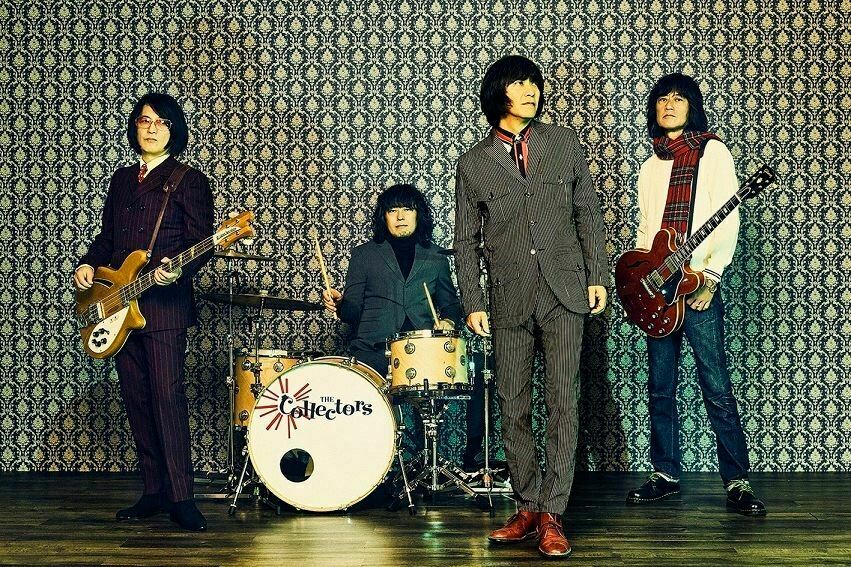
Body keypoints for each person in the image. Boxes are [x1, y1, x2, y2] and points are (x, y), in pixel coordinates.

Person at [454, 55, 609, 558]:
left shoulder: (563, 143)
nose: (531, 91)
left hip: (565, 291)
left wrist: (597, 276)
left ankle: (553, 514)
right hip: (508, 297)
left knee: (563, 401)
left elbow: (588, 214)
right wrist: (473, 300)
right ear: (497, 93)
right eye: (519, 83)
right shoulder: (473, 163)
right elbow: (465, 241)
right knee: (512, 403)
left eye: (534, 83)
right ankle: (527, 506)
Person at [625, 73, 766, 516]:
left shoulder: (712, 152)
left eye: (679, 98)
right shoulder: (650, 165)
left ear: (692, 107)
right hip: (658, 288)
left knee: (716, 386)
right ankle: (664, 474)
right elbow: (647, 230)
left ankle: (737, 481)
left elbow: (728, 216)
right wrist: (644, 282)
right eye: (662, 99)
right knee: (660, 387)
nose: (669, 105)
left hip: (698, 285)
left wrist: (711, 276)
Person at [73, 93, 214, 531]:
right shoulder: (121, 180)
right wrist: (88, 264)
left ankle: (182, 498)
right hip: (118, 306)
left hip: (164, 308)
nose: (151, 128)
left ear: (174, 130)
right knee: (136, 399)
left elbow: (201, 243)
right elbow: (108, 237)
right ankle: (153, 491)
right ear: (135, 128)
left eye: (161, 122)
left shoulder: (189, 180)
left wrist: (178, 271)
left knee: (166, 399)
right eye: (144, 121)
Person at [322, 183, 463, 379]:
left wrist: (448, 321)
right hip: (372, 353)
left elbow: (451, 306)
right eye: (392, 210)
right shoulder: (363, 255)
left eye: (407, 209)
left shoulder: (436, 257)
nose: (400, 217)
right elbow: (351, 313)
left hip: (422, 352)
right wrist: (340, 303)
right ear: (384, 216)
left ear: (418, 214)